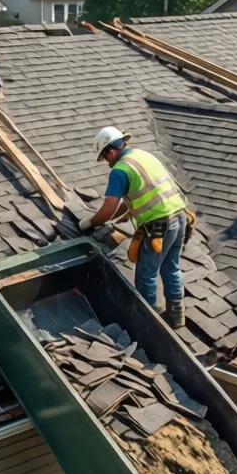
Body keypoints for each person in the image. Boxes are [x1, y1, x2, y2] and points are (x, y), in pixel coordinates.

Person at [79, 127, 188, 328]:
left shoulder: (120, 170)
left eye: (105, 159)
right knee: (170, 267)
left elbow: (108, 207)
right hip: (180, 217)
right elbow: (145, 190)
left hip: (158, 227)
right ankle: (176, 316)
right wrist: (126, 211)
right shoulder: (144, 155)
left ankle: (152, 325)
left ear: (110, 152)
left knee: (146, 275)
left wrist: (91, 222)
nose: (107, 164)